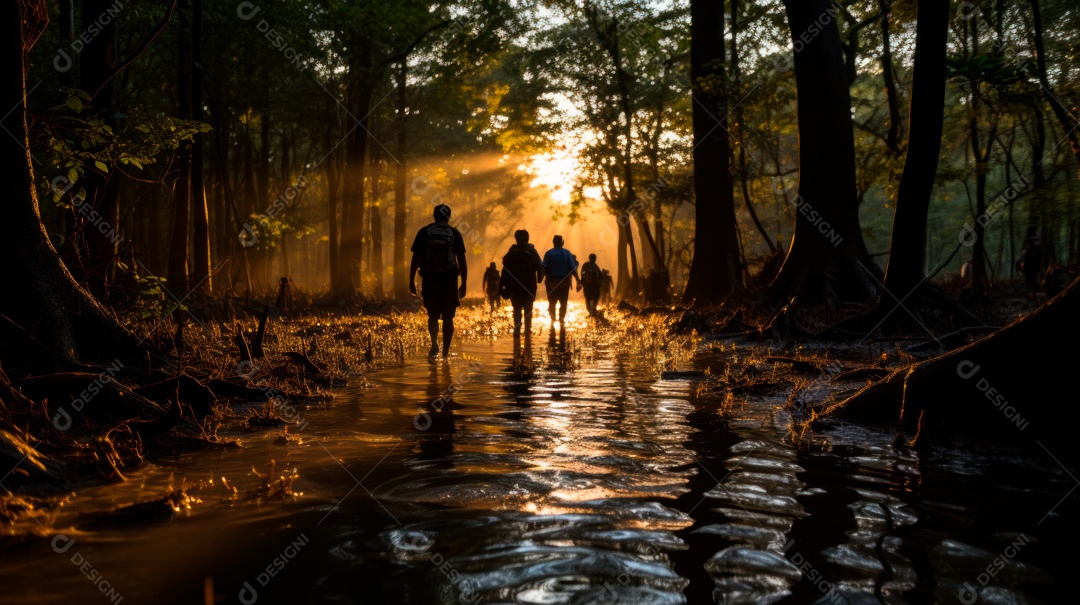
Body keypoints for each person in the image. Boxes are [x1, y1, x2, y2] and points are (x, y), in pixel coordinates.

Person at [409, 204, 467, 357]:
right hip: (449, 282)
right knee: (448, 318)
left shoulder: (424, 232)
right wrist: (464, 284)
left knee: (432, 316)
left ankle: (434, 344)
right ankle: (446, 353)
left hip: (430, 279)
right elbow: (462, 261)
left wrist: (411, 281)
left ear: (434, 216)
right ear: (449, 217)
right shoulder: (454, 234)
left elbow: (415, 258)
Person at [499, 229, 544, 333]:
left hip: (514, 286)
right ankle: (527, 331)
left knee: (517, 308)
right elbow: (540, 266)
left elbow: (505, 270)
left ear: (516, 238)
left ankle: (517, 331)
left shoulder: (511, 252)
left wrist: (502, 286)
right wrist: (539, 279)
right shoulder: (532, 251)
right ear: (527, 238)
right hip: (530, 285)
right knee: (528, 308)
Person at [541, 235, 578, 323]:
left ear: (553, 242)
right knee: (563, 302)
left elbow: (544, 267)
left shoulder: (548, 253)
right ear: (562, 243)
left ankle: (553, 319)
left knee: (552, 302)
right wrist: (578, 280)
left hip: (551, 282)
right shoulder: (567, 253)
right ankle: (561, 319)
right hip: (564, 282)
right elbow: (573, 268)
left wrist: (540, 278)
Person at [1016, 237, 1044, 303]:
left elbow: (1042, 254)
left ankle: (1032, 297)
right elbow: (1023, 260)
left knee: (1031, 283)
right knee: (1030, 283)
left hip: (1032, 269)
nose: (1026, 244)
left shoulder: (1032, 249)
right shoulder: (1028, 250)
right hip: (1030, 269)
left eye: (1027, 243)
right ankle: (1031, 297)